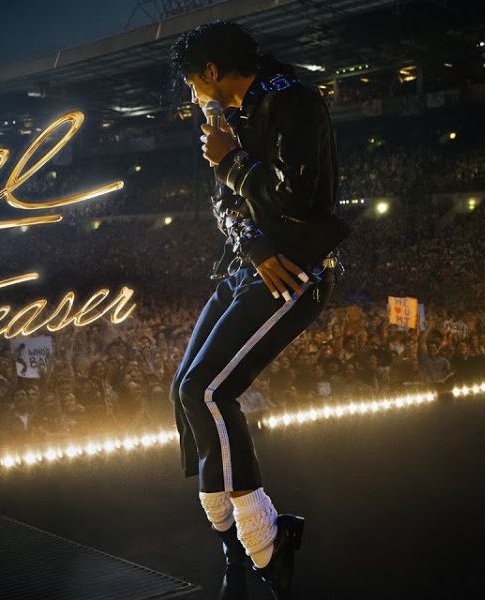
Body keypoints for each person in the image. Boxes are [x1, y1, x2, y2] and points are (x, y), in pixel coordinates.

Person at [168, 21, 351, 600]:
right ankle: (235, 545)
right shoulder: (229, 114)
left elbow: (296, 197)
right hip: (249, 264)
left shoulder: (291, 100)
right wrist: (252, 243)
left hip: (295, 270)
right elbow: (223, 203)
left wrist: (229, 161)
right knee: (184, 392)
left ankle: (266, 543)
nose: (192, 94)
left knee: (207, 391)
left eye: (193, 81)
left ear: (212, 71)